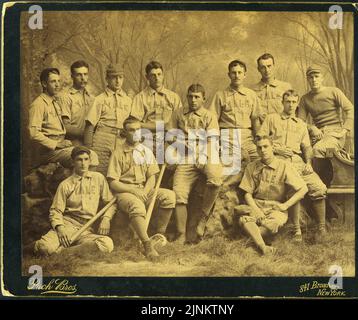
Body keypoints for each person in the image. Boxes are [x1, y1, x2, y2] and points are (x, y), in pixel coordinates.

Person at [258, 90, 328, 240]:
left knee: (319, 187)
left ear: (297, 104)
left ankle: (321, 228)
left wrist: (308, 163)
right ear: (282, 103)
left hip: (296, 160)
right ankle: (296, 230)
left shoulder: (301, 124)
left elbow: (307, 147)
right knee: (294, 187)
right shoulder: (272, 119)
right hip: (278, 160)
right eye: (287, 101)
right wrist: (276, 149)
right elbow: (261, 138)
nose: (290, 105)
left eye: (293, 102)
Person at [107, 117, 176, 260]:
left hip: (144, 190)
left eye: (138, 129)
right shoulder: (118, 153)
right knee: (137, 205)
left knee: (169, 196)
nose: (136, 133)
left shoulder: (146, 151)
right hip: (125, 192)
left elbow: (152, 176)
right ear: (125, 133)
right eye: (131, 130)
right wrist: (134, 191)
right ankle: (147, 245)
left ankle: (158, 235)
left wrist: (144, 191)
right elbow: (113, 182)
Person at [34, 146, 116, 256]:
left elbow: (111, 203)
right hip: (68, 225)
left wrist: (106, 218)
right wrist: (60, 229)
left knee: (107, 244)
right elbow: (55, 211)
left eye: (86, 159)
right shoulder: (65, 184)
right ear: (73, 162)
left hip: (86, 229)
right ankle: (53, 249)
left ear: (90, 161)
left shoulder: (98, 178)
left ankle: (63, 253)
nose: (83, 163)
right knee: (44, 247)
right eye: (79, 159)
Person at [167, 84, 223, 242]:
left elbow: (213, 139)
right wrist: (179, 144)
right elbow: (169, 135)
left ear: (204, 99)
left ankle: (203, 218)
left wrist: (204, 155)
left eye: (197, 97)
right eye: (190, 96)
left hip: (206, 153)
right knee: (179, 193)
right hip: (185, 155)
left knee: (216, 178)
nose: (193, 100)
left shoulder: (209, 115)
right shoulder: (178, 113)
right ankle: (181, 234)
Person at [235, 135, 307, 255]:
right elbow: (247, 193)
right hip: (256, 204)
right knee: (245, 218)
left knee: (271, 225)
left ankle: (253, 237)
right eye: (259, 148)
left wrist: (285, 206)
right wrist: (256, 210)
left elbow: (303, 188)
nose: (262, 150)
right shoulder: (252, 167)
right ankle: (263, 247)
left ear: (272, 147)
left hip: (275, 207)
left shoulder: (284, 166)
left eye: (265, 146)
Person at [209, 60, 261, 186]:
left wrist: (259, 138)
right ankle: (222, 189)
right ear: (229, 75)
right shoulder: (220, 95)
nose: (237, 75)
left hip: (247, 137)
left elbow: (255, 120)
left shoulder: (251, 95)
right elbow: (212, 121)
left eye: (239, 72)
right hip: (228, 136)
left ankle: (253, 195)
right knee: (228, 168)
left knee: (261, 162)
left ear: (245, 75)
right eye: (233, 73)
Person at [84, 64, 132, 175]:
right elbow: (90, 125)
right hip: (102, 138)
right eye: (114, 77)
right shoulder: (99, 99)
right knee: (99, 172)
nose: (117, 81)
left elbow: (132, 123)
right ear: (107, 79)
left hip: (121, 140)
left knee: (118, 173)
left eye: (120, 77)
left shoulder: (128, 100)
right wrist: (88, 149)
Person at [297, 66, 354, 159]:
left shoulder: (334, 91)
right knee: (302, 152)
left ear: (322, 78)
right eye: (311, 77)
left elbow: (351, 109)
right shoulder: (305, 99)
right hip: (317, 135)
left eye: (316, 76)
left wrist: (344, 131)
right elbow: (300, 122)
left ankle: (334, 167)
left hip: (335, 134)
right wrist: (312, 127)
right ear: (307, 79)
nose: (314, 80)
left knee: (319, 150)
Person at [28, 68, 74, 168]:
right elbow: (33, 133)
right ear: (44, 84)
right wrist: (56, 144)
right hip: (47, 152)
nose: (57, 85)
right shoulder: (38, 104)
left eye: (58, 81)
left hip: (59, 149)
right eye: (53, 81)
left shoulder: (55, 102)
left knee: (87, 155)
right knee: (81, 157)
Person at [58, 60, 94, 146]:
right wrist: (87, 135)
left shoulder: (92, 98)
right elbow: (65, 127)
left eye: (85, 74)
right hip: (73, 143)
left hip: (92, 142)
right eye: (79, 75)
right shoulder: (66, 97)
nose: (83, 78)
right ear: (72, 76)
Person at [252, 53, 292, 122]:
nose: (267, 70)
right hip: (260, 128)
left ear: (274, 66)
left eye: (269, 66)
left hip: (281, 126)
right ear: (258, 69)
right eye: (263, 67)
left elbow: (292, 111)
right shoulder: (252, 90)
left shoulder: (286, 87)